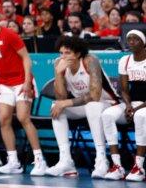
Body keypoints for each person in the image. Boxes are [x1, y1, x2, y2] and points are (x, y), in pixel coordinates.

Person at [0, 5, 48, 175]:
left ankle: (40, 161)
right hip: (4, 83)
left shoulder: (9, 34)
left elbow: (26, 58)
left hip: (21, 81)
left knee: (24, 118)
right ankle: (13, 162)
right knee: (3, 120)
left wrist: (26, 81)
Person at [48, 36, 116, 178]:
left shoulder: (90, 60)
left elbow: (95, 95)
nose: (63, 57)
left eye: (67, 53)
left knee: (92, 105)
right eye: (61, 53)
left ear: (78, 53)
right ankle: (66, 161)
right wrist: (58, 74)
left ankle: (101, 159)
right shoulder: (59, 64)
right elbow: (61, 99)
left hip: (108, 104)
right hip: (84, 106)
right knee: (56, 106)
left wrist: (67, 103)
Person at [100, 29, 146, 180]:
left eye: (135, 39)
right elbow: (123, 89)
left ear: (144, 42)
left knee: (140, 116)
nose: (131, 42)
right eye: (129, 39)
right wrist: (128, 105)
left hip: (143, 106)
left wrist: (136, 108)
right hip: (131, 104)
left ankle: (138, 167)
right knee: (107, 115)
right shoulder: (125, 60)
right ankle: (117, 166)